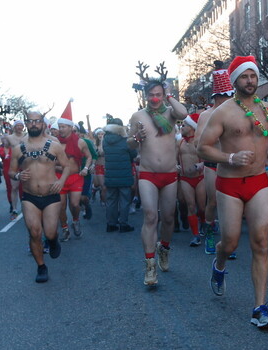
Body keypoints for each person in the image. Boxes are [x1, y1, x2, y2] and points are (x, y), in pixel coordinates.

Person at [197, 54, 268, 330]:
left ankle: (259, 307)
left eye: (253, 76)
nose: (249, 81)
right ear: (235, 80)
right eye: (244, 77)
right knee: (231, 242)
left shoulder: (267, 110)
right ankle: (219, 264)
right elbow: (203, 148)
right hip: (229, 185)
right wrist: (230, 158)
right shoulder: (223, 112)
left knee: (261, 242)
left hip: (259, 181)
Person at [127, 64, 188, 286]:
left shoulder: (170, 113)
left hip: (170, 174)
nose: (155, 98)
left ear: (164, 94)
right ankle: (150, 265)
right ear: (145, 96)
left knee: (169, 218)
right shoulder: (138, 116)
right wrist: (138, 138)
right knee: (151, 216)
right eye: (151, 95)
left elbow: (183, 113)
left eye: (158, 94)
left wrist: (170, 95)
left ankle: (164, 248)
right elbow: (130, 144)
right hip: (148, 174)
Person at [9, 111, 72, 282]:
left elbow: (67, 166)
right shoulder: (18, 148)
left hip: (51, 195)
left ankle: (53, 241)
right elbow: (11, 171)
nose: (34, 124)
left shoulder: (54, 145)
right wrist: (17, 176)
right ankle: (41, 267)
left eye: (37, 121)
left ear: (43, 124)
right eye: (30, 122)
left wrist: (61, 181)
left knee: (50, 233)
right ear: (27, 124)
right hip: (30, 197)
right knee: (35, 233)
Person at [195, 62, 235, 254]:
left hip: (232, 163)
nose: (227, 99)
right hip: (212, 164)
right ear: (215, 96)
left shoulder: (237, 112)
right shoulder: (206, 116)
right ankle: (210, 233)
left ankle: (228, 241)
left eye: (230, 95)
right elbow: (198, 144)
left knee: (230, 203)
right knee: (213, 201)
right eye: (223, 96)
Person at [56, 103, 93, 241]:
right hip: (59, 177)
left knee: (75, 204)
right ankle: (65, 228)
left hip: (76, 177)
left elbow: (89, 157)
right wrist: (55, 168)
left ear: (71, 127)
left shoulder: (80, 142)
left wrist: (85, 168)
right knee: (61, 206)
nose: (61, 129)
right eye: (59, 127)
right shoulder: (54, 142)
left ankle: (76, 220)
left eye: (63, 127)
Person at [103, 118, 136, 233]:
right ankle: (123, 224)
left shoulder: (105, 140)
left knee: (111, 200)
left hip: (110, 174)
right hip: (124, 174)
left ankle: (110, 224)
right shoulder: (125, 140)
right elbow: (133, 154)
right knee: (124, 200)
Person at [178, 113, 206, 247]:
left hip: (200, 178)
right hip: (185, 178)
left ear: (191, 127)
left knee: (201, 207)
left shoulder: (200, 140)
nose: (181, 127)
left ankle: (204, 223)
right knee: (191, 206)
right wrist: (175, 166)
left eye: (184, 125)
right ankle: (195, 235)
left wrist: (203, 164)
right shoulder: (179, 142)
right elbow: (172, 158)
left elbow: (210, 157)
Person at [4, 119, 27, 219]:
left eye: (20, 125)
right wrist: (7, 155)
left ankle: (27, 207)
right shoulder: (9, 137)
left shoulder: (27, 136)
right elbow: (5, 147)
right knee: (14, 187)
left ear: (23, 127)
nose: (19, 127)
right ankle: (14, 209)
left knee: (27, 187)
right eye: (17, 125)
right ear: (14, 127)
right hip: (15, 164)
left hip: (26, 163)